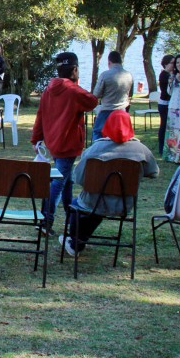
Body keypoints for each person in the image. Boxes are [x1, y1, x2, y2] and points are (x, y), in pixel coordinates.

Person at [60, 110, 159, 256]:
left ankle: (76, 243)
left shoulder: (95, 149)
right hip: (123, 204)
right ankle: (77, 242)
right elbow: (154, 172)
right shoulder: (141, 150)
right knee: (90, 207)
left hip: (93, 202)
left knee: (76, 205)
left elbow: (78, 178)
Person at [29, 52, 99, 234]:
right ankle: (46, 220)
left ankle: (71, 218)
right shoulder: (73, 90)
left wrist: (36, 138)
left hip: (53, 141)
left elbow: (41, 115)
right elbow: (92, 101)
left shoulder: (48, 90)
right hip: (68, 143)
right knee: (58, 183)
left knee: (66, 181)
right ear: (74, 70)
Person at [91, 50, 134, 141]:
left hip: (107, 109)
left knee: (98, 131)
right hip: (122, 110)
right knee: (120, 133)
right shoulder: (129, 75)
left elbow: (96, 94)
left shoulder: (105, 75)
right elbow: (130, 93)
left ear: (109, 62)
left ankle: (97, 151)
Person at [156, 55, 174, 156]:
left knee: (167, 125)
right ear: (166, 64)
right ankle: (161, 147)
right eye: (172, 63)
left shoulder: (169, 74)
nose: (174, 65)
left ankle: (167, 146)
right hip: (164, 103)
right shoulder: (164, 75)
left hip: (168, 103)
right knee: (164, 125)